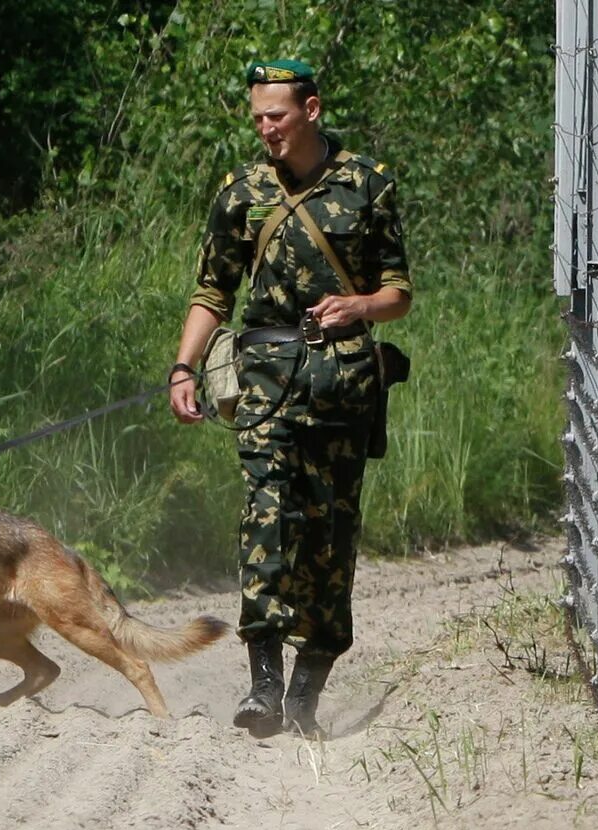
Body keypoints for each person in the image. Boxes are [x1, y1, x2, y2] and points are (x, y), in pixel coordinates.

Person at [167, 58, 412, 738]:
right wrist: (182, 368)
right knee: (265, 521)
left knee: (328, 536)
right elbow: (212, 291)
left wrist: (359, 304)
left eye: (275, 116)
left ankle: (308, 689)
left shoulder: (368, 184)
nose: (265, 129)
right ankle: (264, 687)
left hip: (343, 385)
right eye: (256, 118)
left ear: (311, 107)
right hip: (266, 381)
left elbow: (399, 292)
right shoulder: (242, 191)